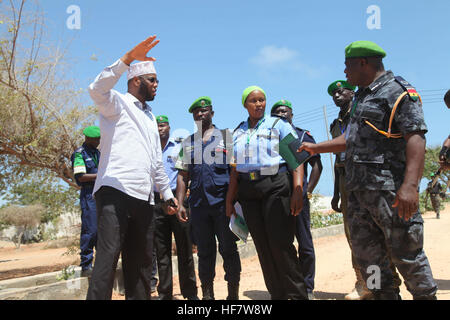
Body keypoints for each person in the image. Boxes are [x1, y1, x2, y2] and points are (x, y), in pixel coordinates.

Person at [298, 41, 438, 300]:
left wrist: (410, 186)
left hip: (391, 195)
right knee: (370, 260)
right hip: (360, 197)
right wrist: (316, 148)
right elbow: (351, 139)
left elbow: (416, 137)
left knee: (408, 257)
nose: (344, 72)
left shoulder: (398, 92)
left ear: (362, 62)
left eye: (347, 65)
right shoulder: (361, 95)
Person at [86, 36, 178, 300]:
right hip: (115, 192)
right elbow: (96, 89)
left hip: (145, 199)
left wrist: (168, 195)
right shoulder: (116, 103)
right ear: (136, 80)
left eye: (157, 80)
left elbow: (155, 162)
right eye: (152, 80)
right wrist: (127, 59)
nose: (157, 85)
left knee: (140, 266)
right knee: (107, 257)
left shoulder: (150, 117)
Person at [226, 86, 308, 300]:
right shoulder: (238, 132)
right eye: (254, 101)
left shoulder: (277, 124)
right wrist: (229, 201)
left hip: (276, 185)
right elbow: (234, 171)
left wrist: (297, 190)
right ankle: (277, 295)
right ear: (245, 104)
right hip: (248, 191)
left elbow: (295, 159)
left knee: (280, 243)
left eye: (262, 100)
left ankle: (297, 295)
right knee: (262, 246)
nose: (259, 104)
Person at [328, 80, 402, 300]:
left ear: (353, 92)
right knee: (355, 236)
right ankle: (365, 283)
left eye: (341, 90)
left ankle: (389, 281)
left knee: (377, 232)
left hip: (367, 177)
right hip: (345, 179)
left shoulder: (361, 114)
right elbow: (337, 158)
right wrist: (335, 192)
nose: (337, 95)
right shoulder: (335, 124)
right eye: (333, 93)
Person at [175, 97, 241, 300]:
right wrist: (179, 203)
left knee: (228, 249)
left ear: (212, 112)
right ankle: (207, 295)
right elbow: (182, 175)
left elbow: (236, 172)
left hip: (223, 205)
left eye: (204, 111)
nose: (200, 114)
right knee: (204, 253)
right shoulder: (188, 143)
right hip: (199, 206)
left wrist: (232, 202)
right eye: (196, 112)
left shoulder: (227, 138)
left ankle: (232, 294)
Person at [270, 99, 323, 300]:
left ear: (292, 114)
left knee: (305, 242)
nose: (282, 114)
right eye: (277, 112)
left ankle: (307, 287)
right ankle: (288, 285)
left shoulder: (303, 136)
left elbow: (317, 166)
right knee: (282, 243)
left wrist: (306, 191)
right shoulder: (269, 139)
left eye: (285, 111)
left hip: (299, 196)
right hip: (277, 198)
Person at [153, 115, 199, 300]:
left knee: (184, 249)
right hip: (156, 202)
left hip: (177, 200)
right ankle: (165, 293)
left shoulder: (179, 147)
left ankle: (190, 293)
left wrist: (180, 200)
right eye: (156, 126)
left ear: (169, 127)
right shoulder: (150, 149)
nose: (159, 129)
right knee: (161, 251)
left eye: (162, 125)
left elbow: (184, 174)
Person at [71, 125, 101, 277]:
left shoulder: (98, 153)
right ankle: (86, 265)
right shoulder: (79, 154)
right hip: (89, 195)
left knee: (102, 232)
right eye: (96, 139)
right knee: (91, 230)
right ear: (88, 138)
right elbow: (81, 177)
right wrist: (101, 175)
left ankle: (101, 265)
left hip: (101, 194)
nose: (98, 142)